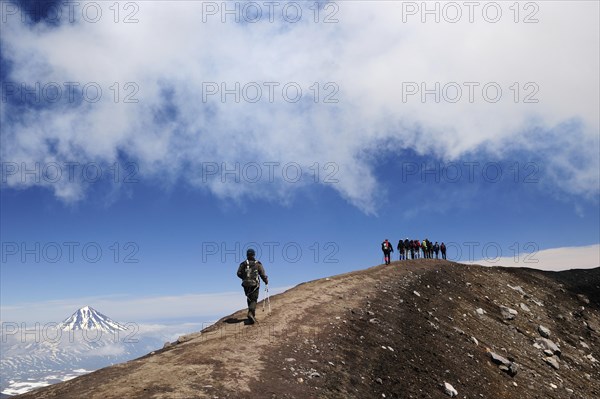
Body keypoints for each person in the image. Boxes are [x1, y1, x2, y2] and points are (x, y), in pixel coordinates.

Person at [237, 248, 268, 324]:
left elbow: (238, 273)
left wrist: (244, 278)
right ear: (254, 255)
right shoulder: (258, 263)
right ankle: (250, 314)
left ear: (247, 255)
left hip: (245, 284)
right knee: (254, 299)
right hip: (255, 284)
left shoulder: (243, 264)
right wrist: (266, 281)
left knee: (249, 298)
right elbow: (262, 274)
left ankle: (252, 315)